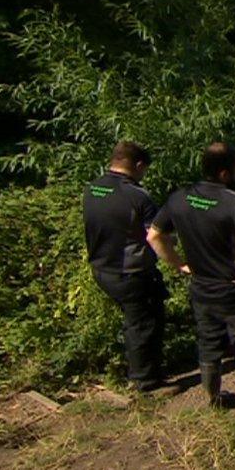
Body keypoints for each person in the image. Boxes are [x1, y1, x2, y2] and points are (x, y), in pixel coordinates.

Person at [146, 142, 235, 411]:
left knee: (208, 343)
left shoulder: (179, 197)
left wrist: (179, 265)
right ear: (224, 173)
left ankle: (212, 401)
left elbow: (153, 235)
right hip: (233, 289)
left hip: (201, 287)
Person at [83, 141, 172, 392]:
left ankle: (143, 370)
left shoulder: (93, 188)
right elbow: (156, 235)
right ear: (138, 165)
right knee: (144, 323)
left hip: (101, 268)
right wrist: (178, 261)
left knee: (135, 321)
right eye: (144, 170)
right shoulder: (136, 195)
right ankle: (146, 382)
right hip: (131, 272)